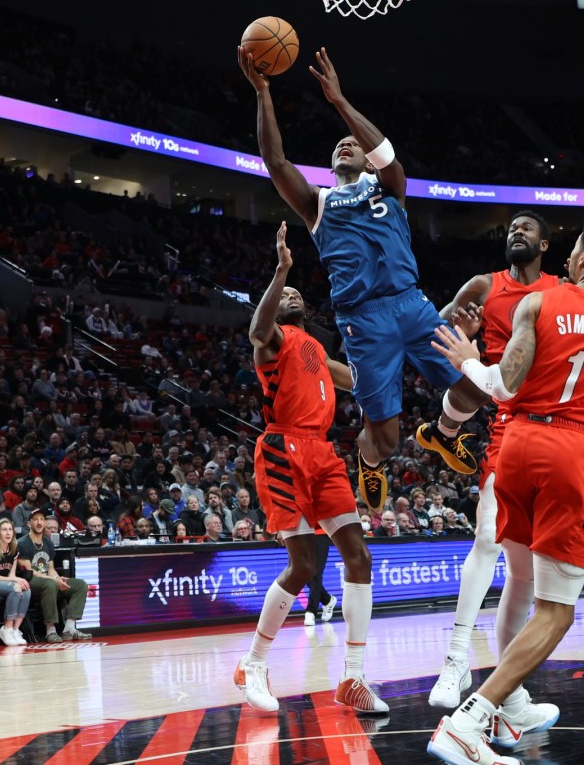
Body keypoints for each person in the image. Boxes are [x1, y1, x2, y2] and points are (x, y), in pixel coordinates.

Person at [427, 210, 584, 763]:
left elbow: (504, 385)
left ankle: (506, 711)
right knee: (557, 611)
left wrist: (469, 361)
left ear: (580, 259)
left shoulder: (537, 302)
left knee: (520, 581)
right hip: (572, 450)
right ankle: (471, 719)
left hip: (516, 447)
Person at [237, 46, 483, 512]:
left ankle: (443, 432)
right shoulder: (318, 203)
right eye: (336, 147)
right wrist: (264, 94)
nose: (343, 145)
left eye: (351, 143)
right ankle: (369, 463)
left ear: (367, 161)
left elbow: (387, 154)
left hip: (411, 304)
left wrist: (340, 102)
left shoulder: (390, 184)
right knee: (385, 441)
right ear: (331, 168)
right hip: (363, 322)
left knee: (474, 387)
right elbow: (275, 162)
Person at [233, 224, 387, 715]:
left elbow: (363, 383)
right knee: (303, 566)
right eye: (283, 293)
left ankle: (354, 678)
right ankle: (253, 663)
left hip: (323, 454)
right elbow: (257, 329)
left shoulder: (316, 349)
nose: (292, 293)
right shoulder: (271, 342)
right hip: (282, 450)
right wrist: (281, 269)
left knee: (359, 557)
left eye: (296, 290)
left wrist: (391, 339)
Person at [17, 508, 92, 642]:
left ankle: (69, 629)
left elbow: (50, 568)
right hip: (30, 581)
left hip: (48, 579)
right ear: (29, 524)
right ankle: (50, 631)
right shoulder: (22, 543)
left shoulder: (48, 543)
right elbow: (29, 570)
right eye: (35, 520)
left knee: (80, 585)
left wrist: (57, 578)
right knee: (50, 584)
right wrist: (53, 579)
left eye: (41, 519)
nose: (39, 523)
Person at [0, 518, 33, 646]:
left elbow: (12, 575)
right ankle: (6, 628)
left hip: (5, 584)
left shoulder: (13, 550)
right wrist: (15, 580)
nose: (8, 533)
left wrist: (16, 579)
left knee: (26, 589)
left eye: (10, 530)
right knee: (16, 587)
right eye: (4, 530)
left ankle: (15, 629)